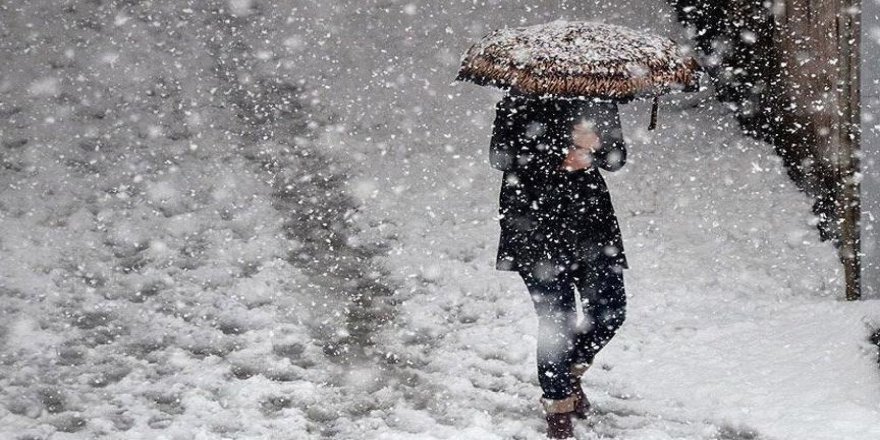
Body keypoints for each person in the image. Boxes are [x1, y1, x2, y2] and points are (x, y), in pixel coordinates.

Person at [489, 91, 628, 439]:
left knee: (610, 309)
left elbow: (616, 158)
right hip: (534, 224)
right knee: (557, 321)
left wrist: (595, 149)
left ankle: (565, 374)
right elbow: (501, 156)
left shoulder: (597, 98)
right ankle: (558, 408)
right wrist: (562, 150)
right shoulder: (518, 99)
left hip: (591, 224)